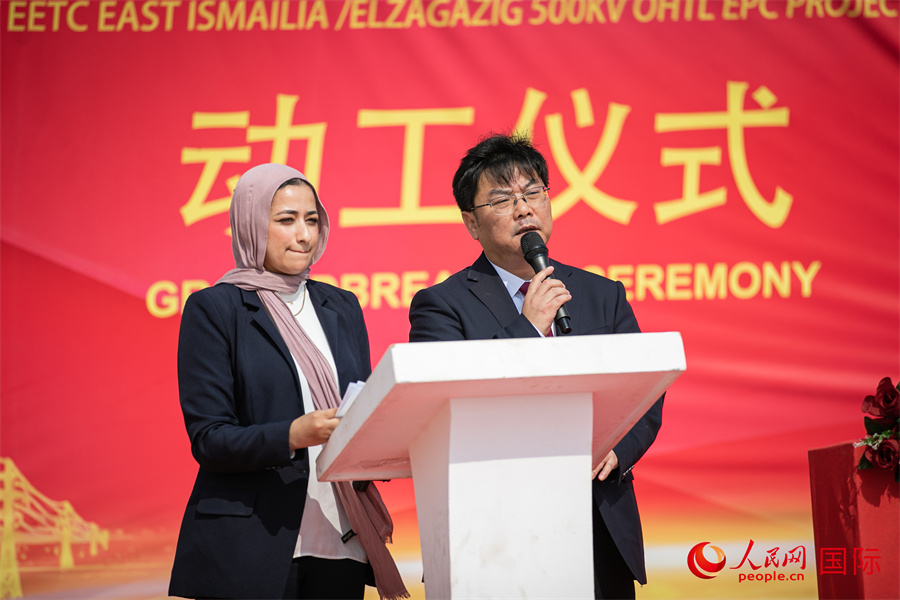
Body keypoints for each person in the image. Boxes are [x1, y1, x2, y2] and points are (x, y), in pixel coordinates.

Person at [408, 133, 664, 599]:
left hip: (596, 523)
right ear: (471, 222)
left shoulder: (601, 294)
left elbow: (644, 388)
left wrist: (618, 449)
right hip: (493, 533)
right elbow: (441, 407)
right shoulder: (441, 305)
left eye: (533, 193)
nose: (524, 209)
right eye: (502, 200)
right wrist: (527, 328)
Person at [169, 163, 408, 600]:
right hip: (251, 544)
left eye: (312, 220)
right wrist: (294, 434)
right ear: (250, 225)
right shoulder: (215, 309)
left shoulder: (341, 306)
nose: (304, 235)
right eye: (286, 220)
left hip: (340, 535)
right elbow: (209, 438)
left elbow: (355, 407)